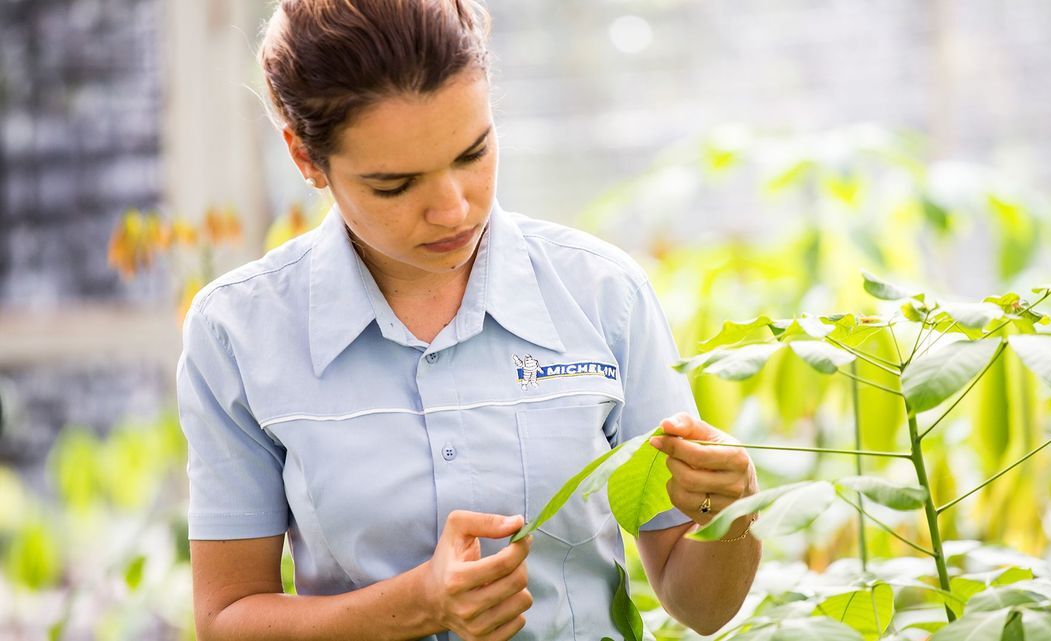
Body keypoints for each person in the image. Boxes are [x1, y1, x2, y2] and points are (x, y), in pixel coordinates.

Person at [175, 1, 761, 640]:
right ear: (305, 157)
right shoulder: (238, 332)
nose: (453, 209)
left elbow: (702, 607)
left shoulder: (602, 294)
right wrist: (417, 605)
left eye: (473, 153)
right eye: (395, 185)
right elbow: (225, 620)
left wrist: (729, 509)